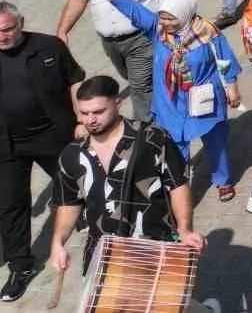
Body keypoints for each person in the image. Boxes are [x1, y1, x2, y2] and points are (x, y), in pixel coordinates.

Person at [49, 77, 204, 284]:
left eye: (98, 112)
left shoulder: (153, 138)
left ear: (117, 103)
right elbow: (68, 204)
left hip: (155, 245)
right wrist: (58, 243)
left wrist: (184, 229)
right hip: (105, 255)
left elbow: (178, 185)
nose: (90, 120)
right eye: (84, 113)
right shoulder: (72, 155)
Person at [100, 0, 242, 202]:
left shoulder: (208, 32)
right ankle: (179, 192)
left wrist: (231, 86)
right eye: (163, 17)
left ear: (185, 15)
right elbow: (137, 12)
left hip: (205, 99)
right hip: (171, 102)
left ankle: (222, 180)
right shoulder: (158, 31)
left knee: (216, 141)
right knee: (174, 150)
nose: (165, 23)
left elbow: (224, 59)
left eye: (171, 19)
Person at [0, 3, 83, 302]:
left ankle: (95, 223)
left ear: (21, 22)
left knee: (78, 183)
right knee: (10, 206)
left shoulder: (49, 47)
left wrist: (81, 119)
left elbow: (75, 78)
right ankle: (20, 266)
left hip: (52, 135)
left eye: (9, 28)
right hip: (8, 144)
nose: (3, 36)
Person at [59, 0, 175, 121]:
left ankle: (146, 135)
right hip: (110, 42)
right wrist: (63, 31)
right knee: (133, 79)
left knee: (140, 87)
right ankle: (165, 100)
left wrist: (176, 25)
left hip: (143, 38)